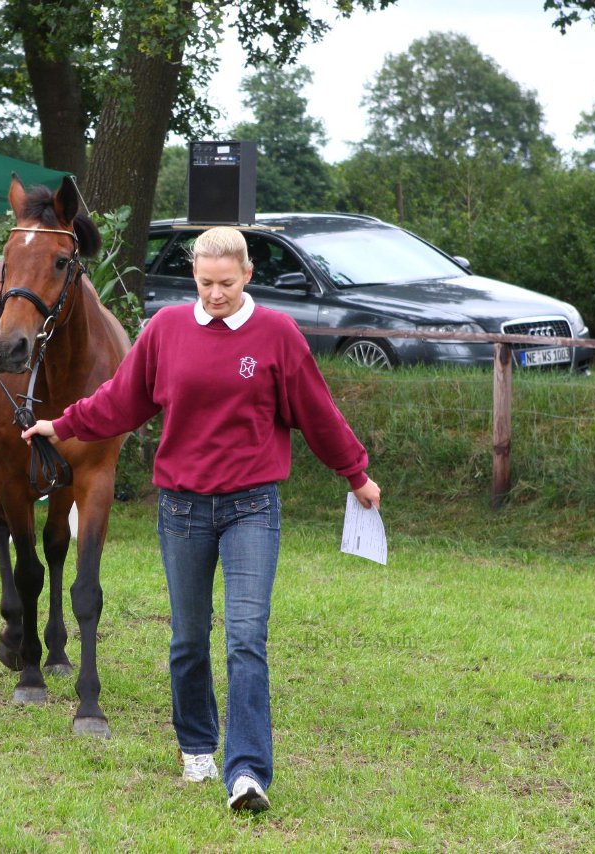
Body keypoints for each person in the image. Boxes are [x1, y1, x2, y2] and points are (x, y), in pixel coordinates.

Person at [21, 226, 382, 814]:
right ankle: (195, 748)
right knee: (189, 640)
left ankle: (246, 772)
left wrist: (356, 473)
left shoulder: (276, 335)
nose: (215, 294)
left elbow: (317, 412)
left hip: (251, 508)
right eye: (206, 282)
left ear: (247, 277)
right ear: (194, 277)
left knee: (246, 639)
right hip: (182, 510)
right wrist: (60, 426)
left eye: (227, 283)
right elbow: (121, 399)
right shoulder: (165, 330)